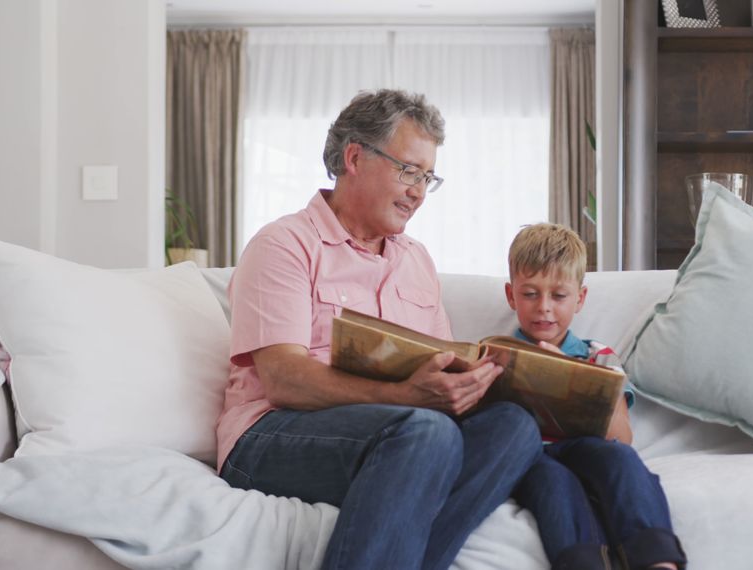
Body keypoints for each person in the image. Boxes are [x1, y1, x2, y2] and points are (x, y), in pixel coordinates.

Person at [216, 89, 542, 570]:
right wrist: (412, 398)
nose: (417, 191)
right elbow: (284, 381)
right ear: (354, 158)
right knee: (427, 433)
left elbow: (440, 361)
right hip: (270, 436)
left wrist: (467, 384)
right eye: (408, 170)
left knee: (514, 428)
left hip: (399, 433)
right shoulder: (284, 244)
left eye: (427, 178)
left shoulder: (416, 261)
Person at [505, 223, 687, 570]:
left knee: (619, 461)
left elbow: (622, 438)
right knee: (552, 483)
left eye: (558, 296)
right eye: (530, 294)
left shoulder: (599, 356)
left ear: (580, 299)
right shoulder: (499, 355)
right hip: (532, 456)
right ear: (511, 295)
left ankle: (657, 560)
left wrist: (571, 378)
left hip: (589, 447)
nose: (544, 307)